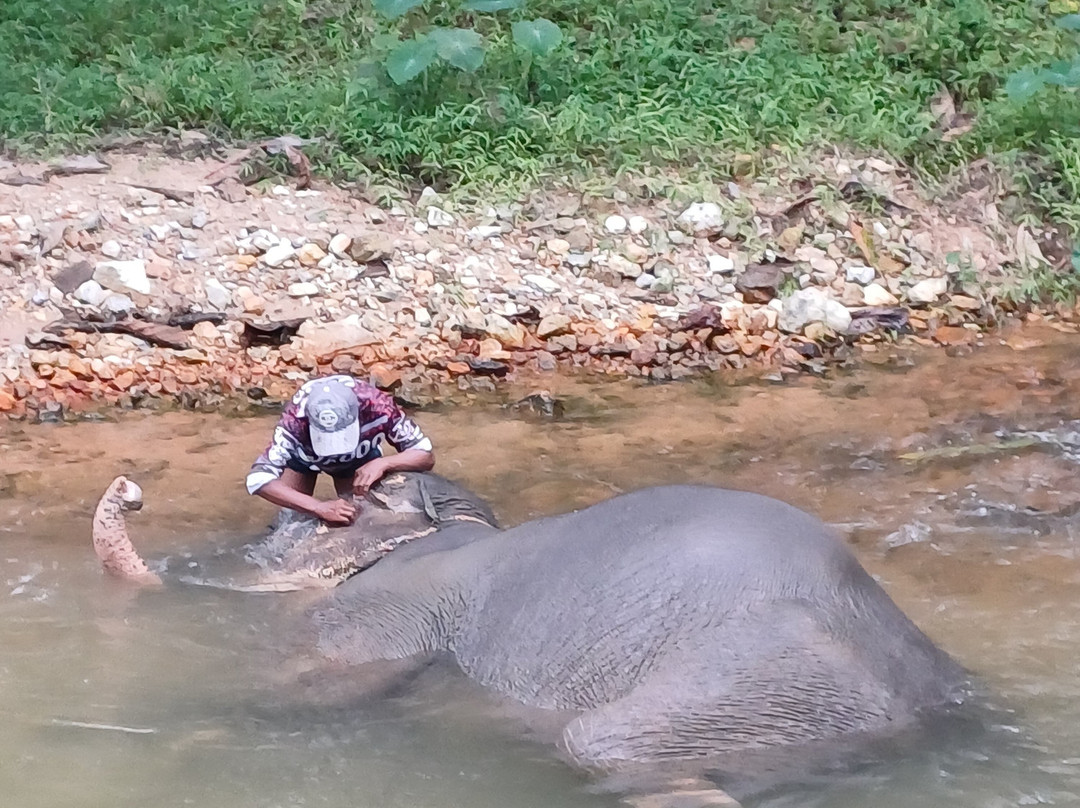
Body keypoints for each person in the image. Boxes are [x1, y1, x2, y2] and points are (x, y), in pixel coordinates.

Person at [245, 374, 435, 526]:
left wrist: (384, 463)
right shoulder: (295, 419)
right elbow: (258, 479)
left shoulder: (378, 406)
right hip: (304, 457)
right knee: (290, 520)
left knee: (358, 519)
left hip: (358, 458)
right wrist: (317, 507)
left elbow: (425, 455)